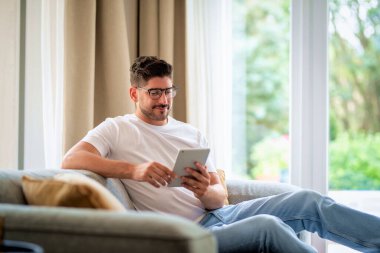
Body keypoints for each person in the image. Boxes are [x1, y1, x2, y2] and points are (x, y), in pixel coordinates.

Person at [61, 56, 380, 253]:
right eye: (154, 93)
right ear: (135, 93)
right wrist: (134, 170)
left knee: (308, 200)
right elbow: (71, 160)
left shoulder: (191, 133)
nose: (163, 100)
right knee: (267, 227)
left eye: (168, 91)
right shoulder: (117, 128)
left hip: (216, 216)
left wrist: (204, 189)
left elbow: (219, 198)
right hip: (186, 233)